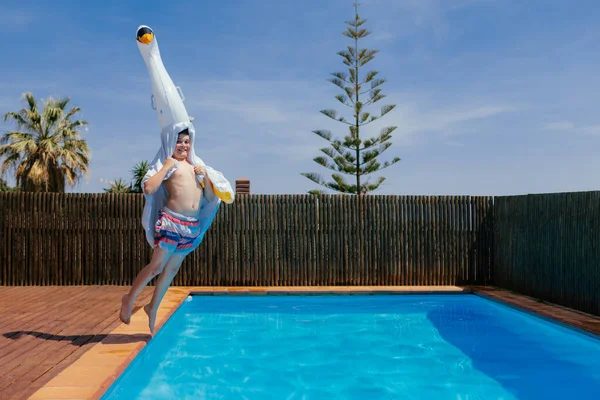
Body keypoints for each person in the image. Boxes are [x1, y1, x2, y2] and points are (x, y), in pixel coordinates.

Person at [119, 128, 221, 334]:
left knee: (172, 270)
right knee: (157, 267)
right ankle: (129, 299)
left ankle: (152, 307)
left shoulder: (195, 166)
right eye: (179, 142)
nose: (183, 145)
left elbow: (210, 197)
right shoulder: (168, 164)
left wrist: (207, 179)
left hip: (191, 227)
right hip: (171, 222)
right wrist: (166, 167)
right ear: (170, 144)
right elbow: (148, 188)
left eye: (187, 142)